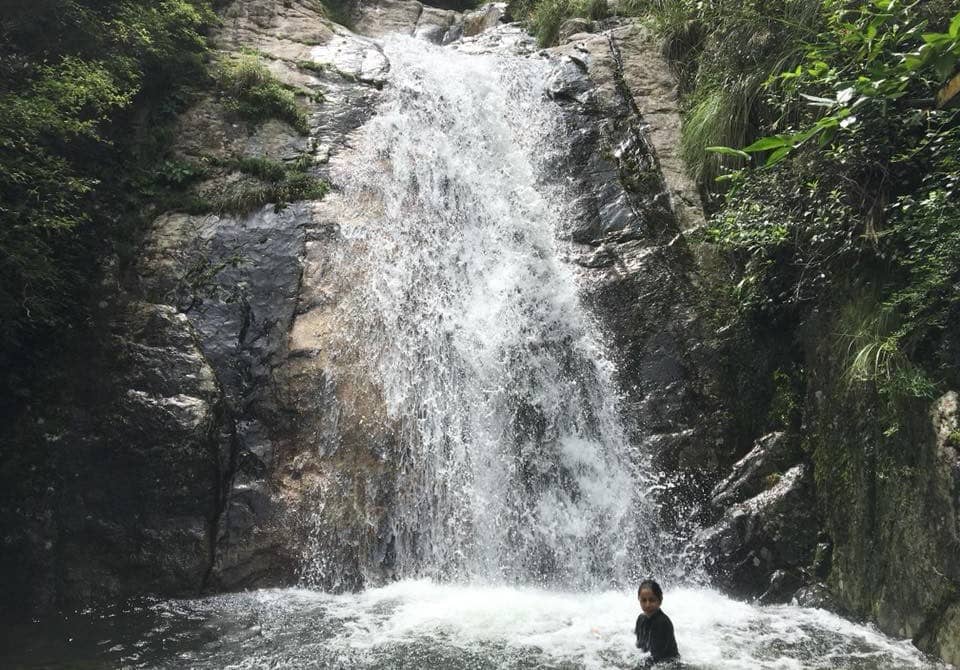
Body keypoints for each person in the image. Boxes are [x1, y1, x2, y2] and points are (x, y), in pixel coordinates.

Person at [634, 579, 679, 665]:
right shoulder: (640, 619)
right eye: (644, 600)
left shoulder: (662, 622)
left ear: (660, 600)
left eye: (652, 600)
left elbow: (657, 658)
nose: (647, 604)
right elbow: (639, 647)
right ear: (639, 600)